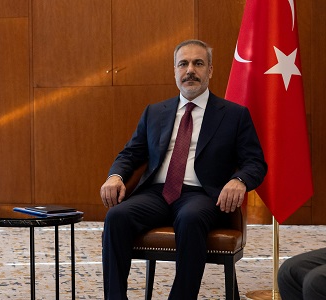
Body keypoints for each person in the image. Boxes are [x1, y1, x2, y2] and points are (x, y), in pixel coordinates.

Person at [99, 39, 267, 299]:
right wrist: (115, 176)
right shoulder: (154, 112)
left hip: (202, 195)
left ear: (210, 70)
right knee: (116, 217)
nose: (190, 70)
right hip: (157, 193)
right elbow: (131, 153)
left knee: (189, 218)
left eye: (198, 63)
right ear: (175, 71)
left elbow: (255, 162)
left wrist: (239, 181)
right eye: (183, 64)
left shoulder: (234, 115)